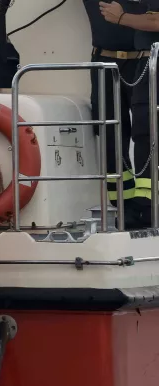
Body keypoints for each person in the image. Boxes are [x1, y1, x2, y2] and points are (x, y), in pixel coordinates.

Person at [100, 0, 158, 228]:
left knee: (147, 131)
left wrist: (122, 18)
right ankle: (137, 206)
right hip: (144, 60)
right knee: (137, 132)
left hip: (151, 60)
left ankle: (149, 207)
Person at [84, 0, 141, 227]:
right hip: (104, 61)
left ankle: (148, 204)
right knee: (110, 136)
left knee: (147, 133)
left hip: (144, 61)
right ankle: (124, 206)